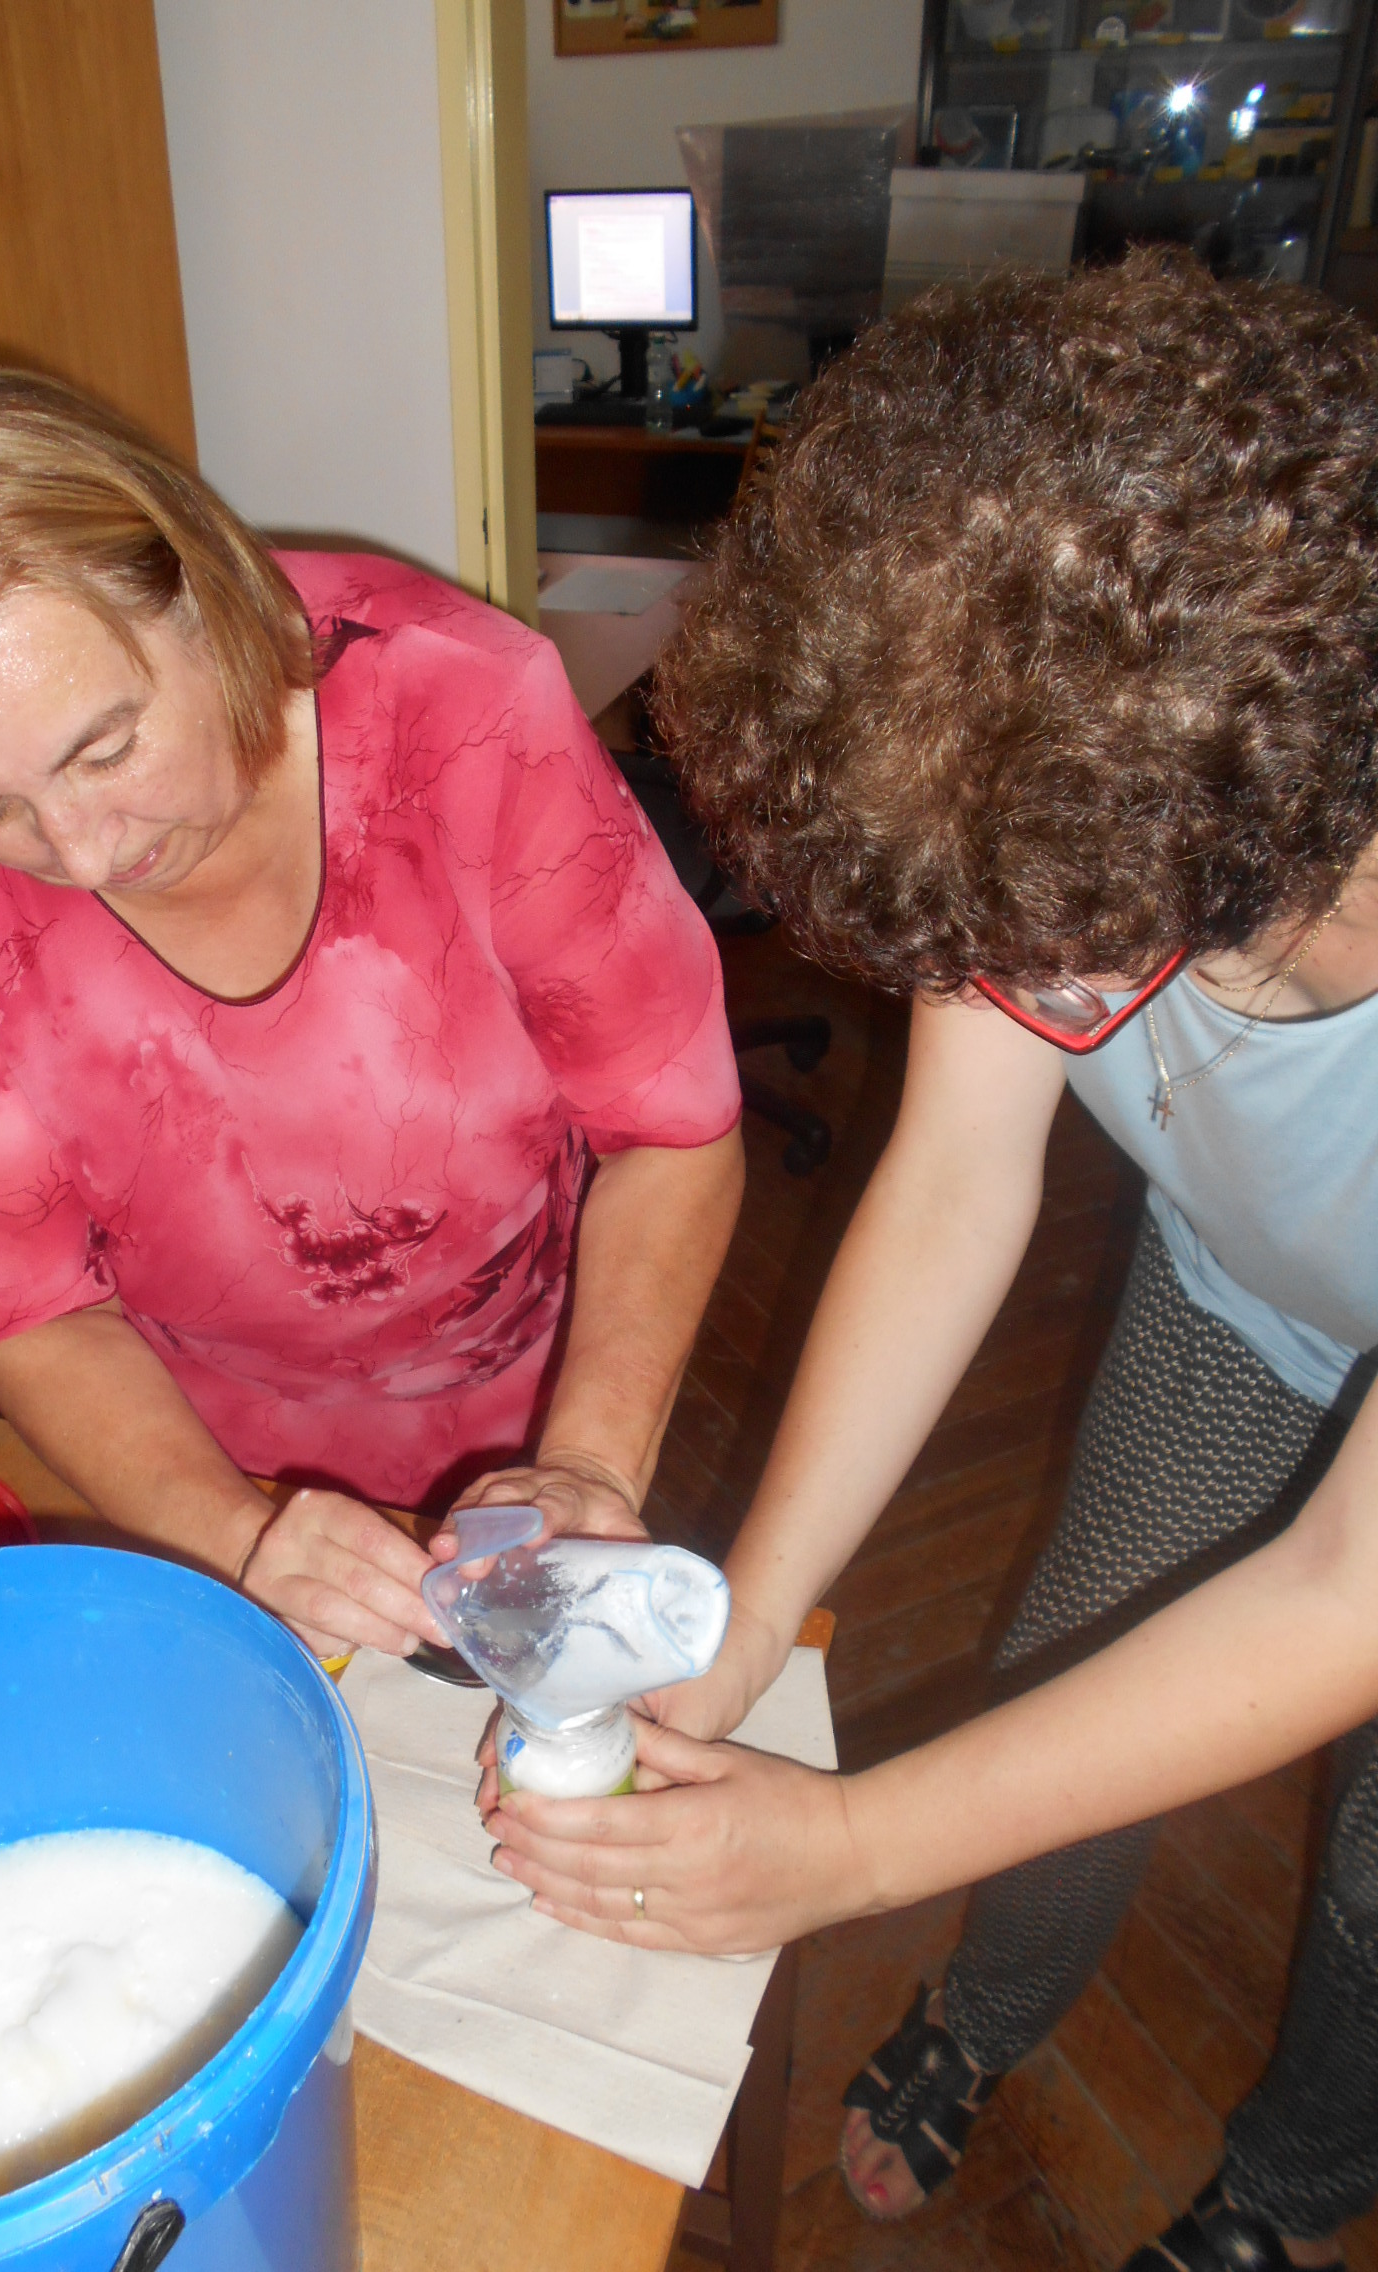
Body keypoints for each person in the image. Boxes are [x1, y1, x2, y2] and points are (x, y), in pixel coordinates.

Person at [482, 249, 1378, 2272]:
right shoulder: (1058, 769)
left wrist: (856, 1842)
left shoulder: (1159, 781)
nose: (999, 1006)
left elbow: (1349, 1587)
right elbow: (963, 1179)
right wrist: (751, 1617)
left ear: (1256, 828)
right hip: (1245, 1303)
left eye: (1031, 969)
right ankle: (989, 2011)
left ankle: (1295, 2187)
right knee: (1081, 1678)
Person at [0, 360, 744, 1665]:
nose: (84, 852)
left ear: (203, 590)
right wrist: (236, 1533)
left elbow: (667, 1130)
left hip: (540, 1408)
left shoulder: (465, 709)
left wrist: (590, 1465)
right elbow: (30, 1305)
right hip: (189, 1451)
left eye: (106, 749)